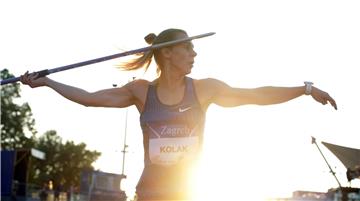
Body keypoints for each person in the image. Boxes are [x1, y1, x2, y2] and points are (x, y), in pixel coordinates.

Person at [20, 28, 337, 201]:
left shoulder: (204, 89)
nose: (194, 53)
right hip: (149, 194)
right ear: (168, 53)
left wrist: (304, 89)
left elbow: (257, 94)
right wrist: (47, 82)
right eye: (188, 48)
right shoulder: (141, 91)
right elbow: (89, 98)